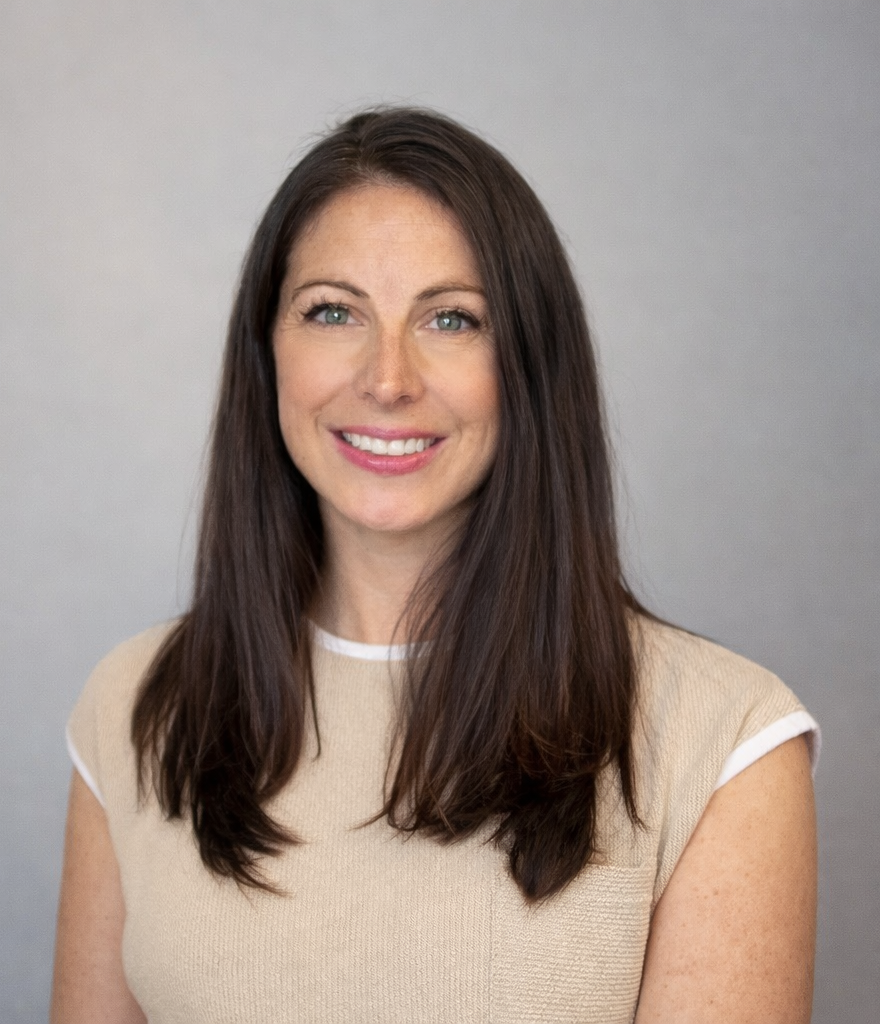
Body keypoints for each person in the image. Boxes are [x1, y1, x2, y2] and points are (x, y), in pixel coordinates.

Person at [50, 108, 819, 1024]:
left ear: (530, 363)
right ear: (267, 352)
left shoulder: (723, 740)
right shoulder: (137, 707)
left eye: (452, 319)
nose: (387, 378)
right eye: (332, 311)